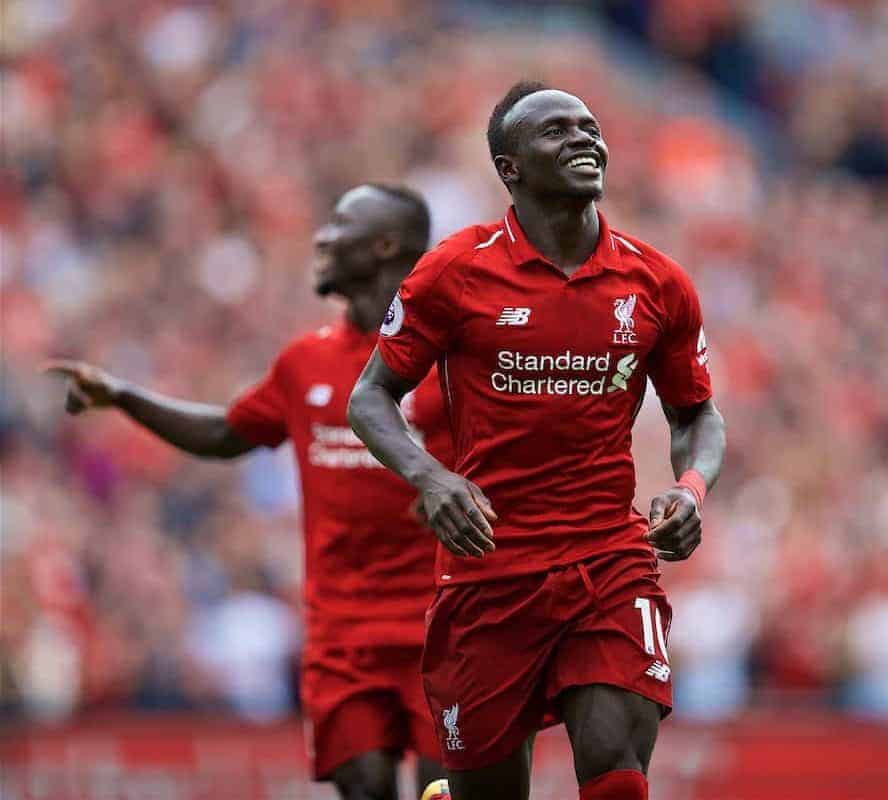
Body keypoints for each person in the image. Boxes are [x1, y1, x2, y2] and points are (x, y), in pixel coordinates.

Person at [347, 81, 726, 800]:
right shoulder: (456, 272)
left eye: (590, 127)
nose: (584, 139)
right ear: (510, 168)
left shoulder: (656, 281)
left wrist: (689, 486)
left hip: (607, 561)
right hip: (489, 568)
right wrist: (431, 478)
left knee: (615, 763)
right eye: (556, 131)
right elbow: (371, 397)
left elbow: (697, 415)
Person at [45, 184, 453, 800]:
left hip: (444, 629)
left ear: (386, 245)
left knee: (443, 794)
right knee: (365, 787)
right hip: (342, 637)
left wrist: (460, 484)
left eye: (341, 224)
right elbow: (224, 433)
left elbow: (518, 449)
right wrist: (125, 396)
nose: (322, 238)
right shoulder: (304, 361)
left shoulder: (451, 358)